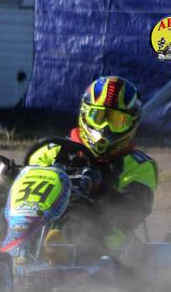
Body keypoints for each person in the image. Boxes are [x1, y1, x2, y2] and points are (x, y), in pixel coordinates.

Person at [27, 76, 157, 260]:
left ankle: (65, 259)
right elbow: (24, 188)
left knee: (79, 216)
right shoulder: (51, 151)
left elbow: (132, 211)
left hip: (105, 236)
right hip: (40, 220)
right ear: (85, 114)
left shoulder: (138, 165)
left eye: (116, 121)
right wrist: (6, 178)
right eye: (99, 117)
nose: (105, 128)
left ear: (132, 124)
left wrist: (100, 191)